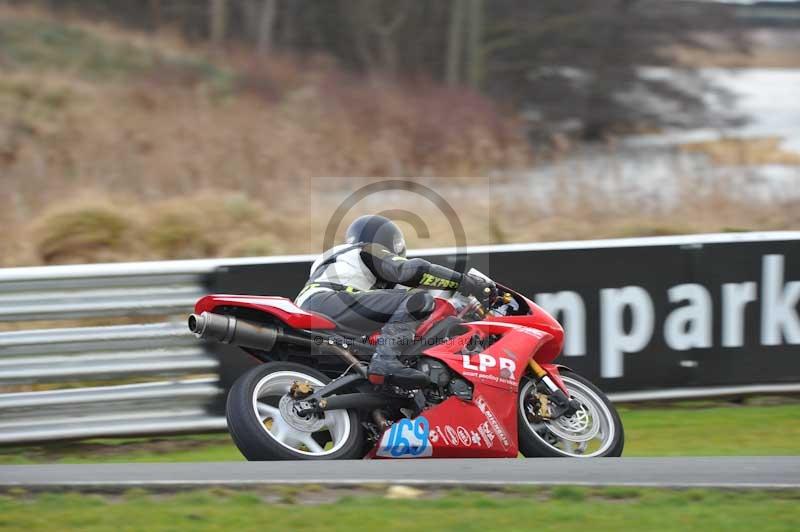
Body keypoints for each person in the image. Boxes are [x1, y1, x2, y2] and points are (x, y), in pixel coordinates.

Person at [295, 214, 496, 386]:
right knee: (417, 300)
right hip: (326, 301)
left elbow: (404, 301)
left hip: (315, 311)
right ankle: (385, 360)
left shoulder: (341, 264)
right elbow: (411, 272)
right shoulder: (365, 249)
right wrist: (465, 282)